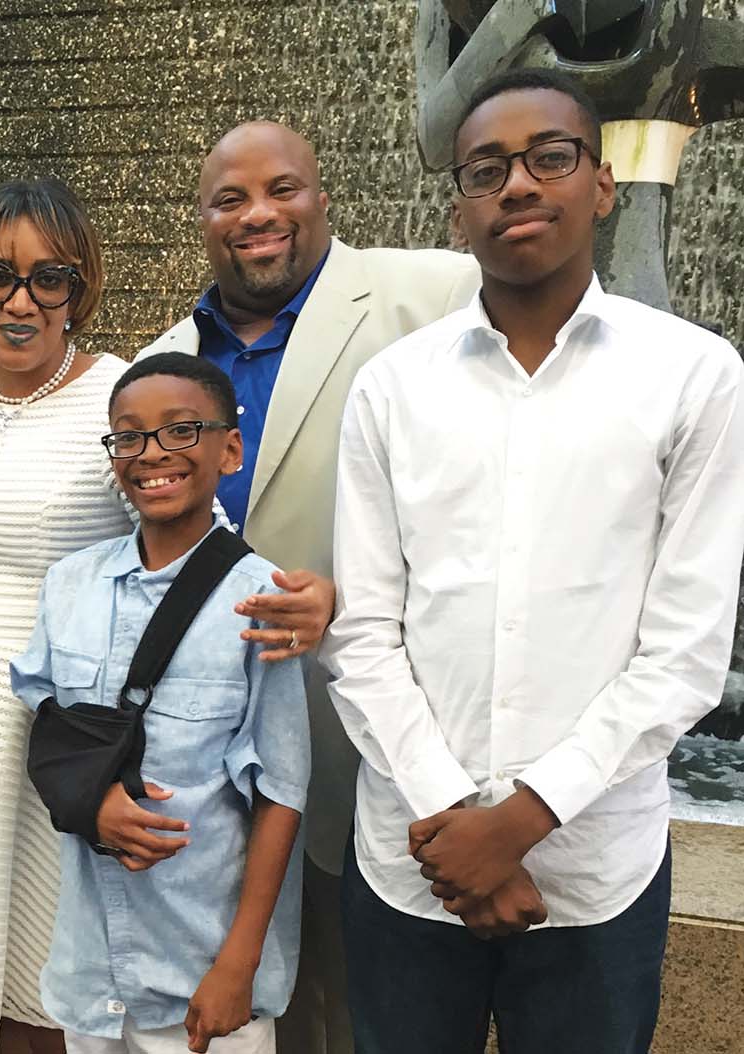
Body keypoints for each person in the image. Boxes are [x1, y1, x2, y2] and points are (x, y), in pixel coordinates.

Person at [322, 70, 744, 1053]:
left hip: (597, 868)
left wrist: (519, 820)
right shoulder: (391, 388)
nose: (518, 184)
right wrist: (455, 818)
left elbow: (684, 651)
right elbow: (366, 635)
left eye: (550, 157)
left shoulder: (695, 376)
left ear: (602, 184)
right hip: (412, 862)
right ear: (459, 210)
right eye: (487, 169)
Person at [0, 179, 332, 1054]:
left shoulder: (116, 397)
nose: (20, 299)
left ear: (82, 287)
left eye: (49, 278)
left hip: (75, 723)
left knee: (58, 969)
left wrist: (313, 595)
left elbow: (186, 531)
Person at [134, 122, 482, 1054]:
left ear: (322, 196)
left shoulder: (439, 294)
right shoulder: (161, 356)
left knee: (354, 1004)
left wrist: (361, 597)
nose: (259, 215)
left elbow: (499, 487)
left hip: (359, 727)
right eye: (229, 200)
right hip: (204, 755)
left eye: (282, 189)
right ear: (202, 219)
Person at [12, 352, 311, 1054]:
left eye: (181, 431)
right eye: (129, 435)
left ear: (228, 449)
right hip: (92, 971)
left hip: (200, 973)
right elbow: (47, 723)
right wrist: (91, 801)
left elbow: (282, 789)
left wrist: (238, 965)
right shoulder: (70, 585)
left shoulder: (263, 600)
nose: (154, 454)